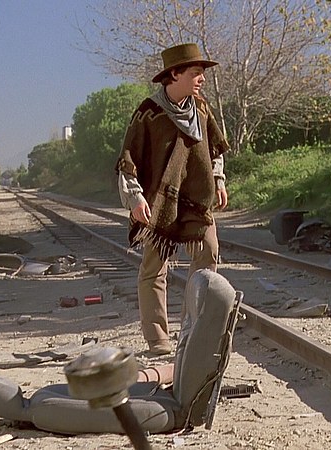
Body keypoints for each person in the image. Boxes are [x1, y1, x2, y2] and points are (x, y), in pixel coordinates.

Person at [115, 43, 229, 355]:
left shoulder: (201, 109)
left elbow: (214, 150)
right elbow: (127, 161)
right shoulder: (148, 113)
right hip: (159, 203)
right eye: (195, 73)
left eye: (202, 73)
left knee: (209, 253)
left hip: (196, 200)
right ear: (175, 74)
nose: (201, 79)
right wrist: (135, 199)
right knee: (154, 268)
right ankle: (158, 339)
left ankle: (194, 329)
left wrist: (218, 180)